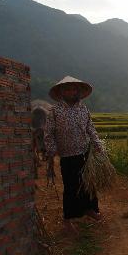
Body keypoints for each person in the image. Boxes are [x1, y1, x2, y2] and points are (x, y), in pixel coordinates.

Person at [44, 76, 103, 232]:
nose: (71, 92)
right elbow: (48, 133)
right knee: (71, 187)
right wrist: (52, 149)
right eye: (68, 89)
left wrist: (97, 143)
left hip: (85, 153)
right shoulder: (55, 111)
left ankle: (90, 209)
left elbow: (90, 128)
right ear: (62, 92)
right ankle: (68, 220)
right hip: (67, 156)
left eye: (74, 89)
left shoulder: (83, 109)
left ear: (78, 92)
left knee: (88, 183)